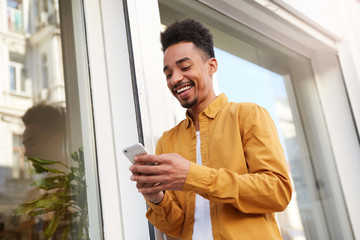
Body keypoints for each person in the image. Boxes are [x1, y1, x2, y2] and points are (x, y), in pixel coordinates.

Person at [129, 19, 292, 240]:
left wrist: (192, 175)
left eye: (185, 67)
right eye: (168, 74)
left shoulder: (247, 115)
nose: (176, 79)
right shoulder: (167, 141)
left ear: (212, 66)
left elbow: (277, 192)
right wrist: (155, 196)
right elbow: (176, 227)